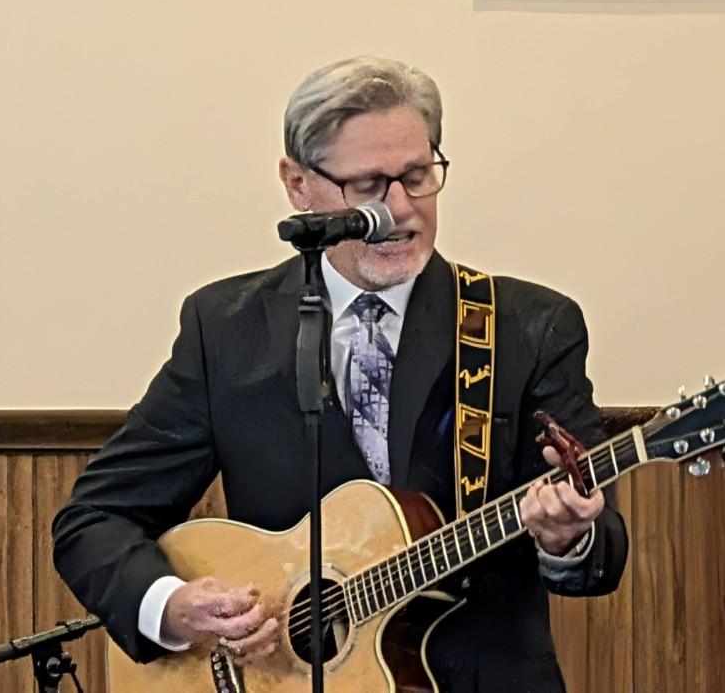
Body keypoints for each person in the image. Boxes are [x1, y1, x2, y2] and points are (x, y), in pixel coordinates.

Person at [51, 55, 629, 691]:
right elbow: (94, 518)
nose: (399, 209)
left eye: (417, 176)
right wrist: (170, 605)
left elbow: (600, 546)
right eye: (368, 186)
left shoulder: (530, 326)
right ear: (298, 184)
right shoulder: (227, 329)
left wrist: (568, 538)